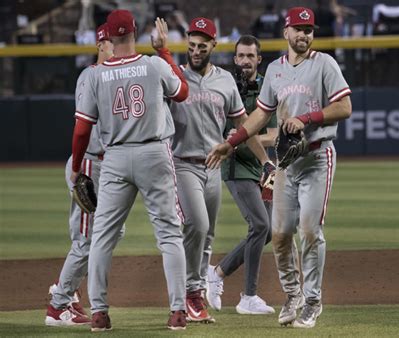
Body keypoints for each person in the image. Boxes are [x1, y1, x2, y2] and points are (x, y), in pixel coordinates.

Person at [207, 7, 352, 329]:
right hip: (288, 162)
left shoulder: (324, 64)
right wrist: (230, 143)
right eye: (298, 29)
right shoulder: (275, 70)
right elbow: (259, 116)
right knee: (281, 234)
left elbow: (344, 106)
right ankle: (293, 295)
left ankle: (313, 301)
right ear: (286, 32)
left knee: (310, 232)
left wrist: (306, 119)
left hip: (317, 156)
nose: (304, 34)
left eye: (309, 29)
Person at [70, 10, 189, 331]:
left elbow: (82, 130)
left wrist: (77, 165)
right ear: (136, 32)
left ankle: (99, 313)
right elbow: (182, 93)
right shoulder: (153, 63)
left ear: (107, 36)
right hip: (154, 153)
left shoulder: (95, 75)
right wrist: (163, 49)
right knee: (168, 234)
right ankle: (178, 311)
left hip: (116, 158)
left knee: (102, 238)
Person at [168, 18, 271, 323]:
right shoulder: (175, 78)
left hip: (212, 166)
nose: (196, 50)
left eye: (202, 45)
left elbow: (244, 127)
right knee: (197, 226)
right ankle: (189, 292)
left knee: (208, 234)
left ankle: (196, 295)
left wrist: (266, 161)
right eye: (192, 45)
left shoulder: (225, 80)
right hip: (183, 163)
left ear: (213, 45)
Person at [45, 23, 119, 327]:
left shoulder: (115, 74)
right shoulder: (91, 75)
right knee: (88, 240)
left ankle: (68, 291)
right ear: (101, 45)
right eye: (112, 42)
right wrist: (77, 169)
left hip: (106, 165)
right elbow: (84, 126)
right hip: (89, 162)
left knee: (109, 233)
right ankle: (58, 304)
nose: (117, 46)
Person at [206, 35, 277, 315]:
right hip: (236, 166)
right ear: (235, 59)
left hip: (264, 165)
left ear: (259, 59)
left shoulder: (266, 88)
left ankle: (218, 273)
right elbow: (219, 131)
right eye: (241, 56)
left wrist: (246, 136)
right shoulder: (226, 87)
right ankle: (248, 296)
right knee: (260, 225)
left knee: (267, 230)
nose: (245, 61)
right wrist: (231, 138)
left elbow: (274, 133)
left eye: (251, 56)